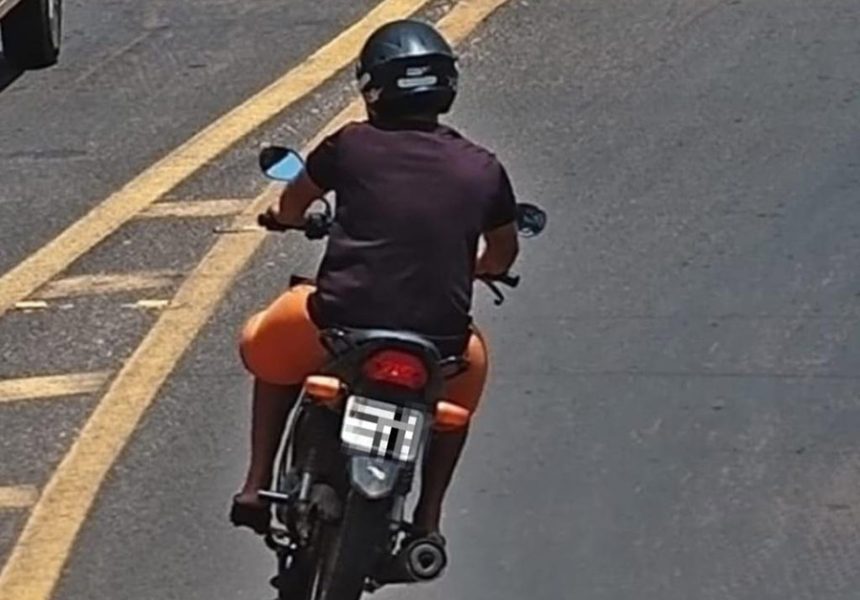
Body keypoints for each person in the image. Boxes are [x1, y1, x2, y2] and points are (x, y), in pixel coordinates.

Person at [230, 19, 519, 542]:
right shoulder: (484, 169)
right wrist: (481, 268)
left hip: (338, 325)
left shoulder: (350, 145)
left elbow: (295, 201)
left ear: (372, 88)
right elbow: (503, 253)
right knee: (454, 409)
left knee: (266, 343)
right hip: (440, 344)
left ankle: (255, 484)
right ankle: (427, 522)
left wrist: (285, 218)